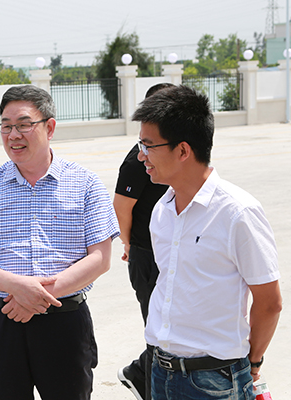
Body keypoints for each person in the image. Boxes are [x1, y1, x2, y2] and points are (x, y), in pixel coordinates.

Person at [0, 85, 119, 400]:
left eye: (23, 124)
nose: (13, 135)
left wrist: (39, 296)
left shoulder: (85, 183)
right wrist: (17, 287)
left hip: (64, 323)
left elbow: (100, 258)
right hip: (4, 321)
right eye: (6, 126)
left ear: (50, 127)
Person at [133, 85, 282, 400]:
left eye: (148, 145)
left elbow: (269, 301)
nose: (140, 155)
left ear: (183, 151)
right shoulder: (162, 210)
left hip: (214, 381)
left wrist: (253, 363)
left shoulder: (237, 212)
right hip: (161, 371)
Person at [115, 83, 173, 400]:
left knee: (173, 331)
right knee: (158, 333)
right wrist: (128, 244)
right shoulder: (137, 160)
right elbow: (121, 207)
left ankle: (138, 372)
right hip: (147, 255)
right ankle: (147, 384)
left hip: (173, 253)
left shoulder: (177, 153)